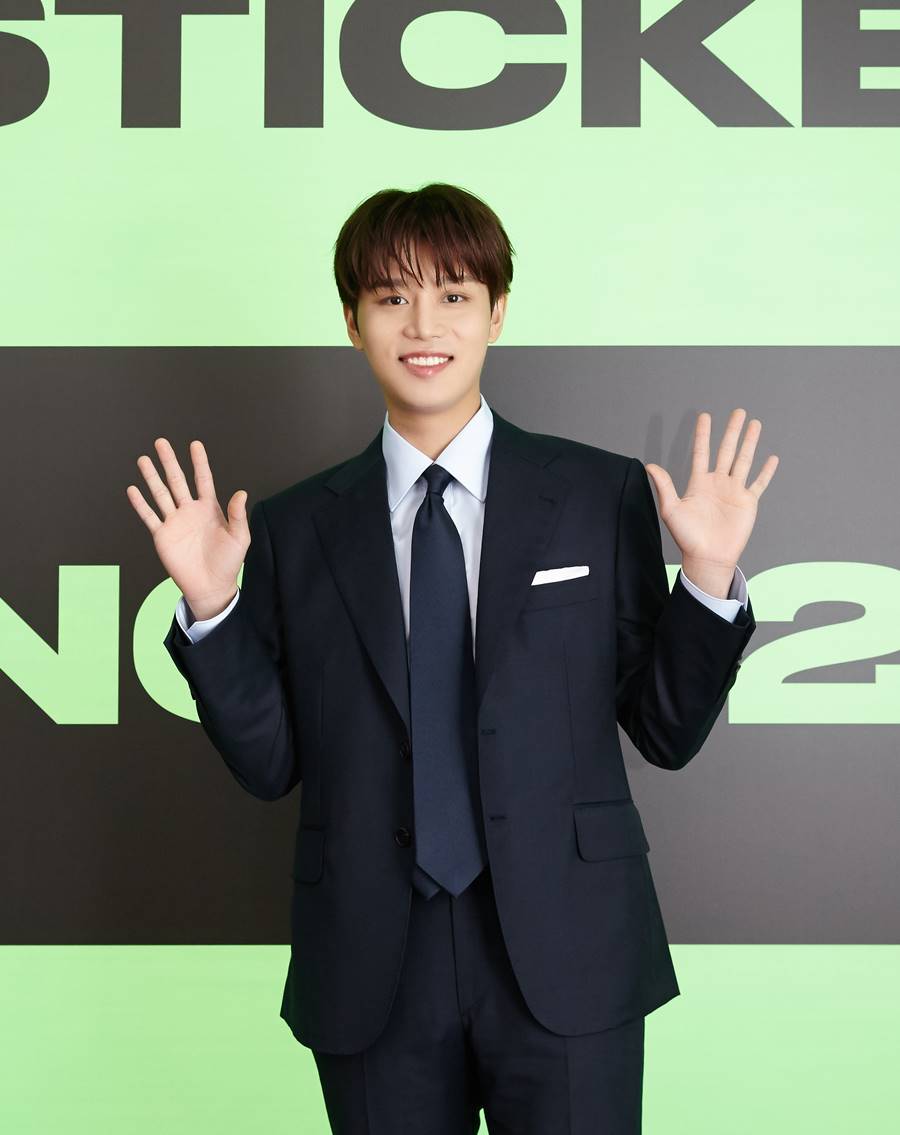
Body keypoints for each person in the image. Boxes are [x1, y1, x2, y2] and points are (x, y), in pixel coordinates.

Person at [126, 183, 777, 1134]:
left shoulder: (597, 494)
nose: (424, 325)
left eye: (455, 295)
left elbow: (666, 732)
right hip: (371, 958)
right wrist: (212, 606)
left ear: (497, 313)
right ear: (352, 321)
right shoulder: (294, 528)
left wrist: (709, 580)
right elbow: (269, 764)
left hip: (570, 943)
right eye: (391, 297)